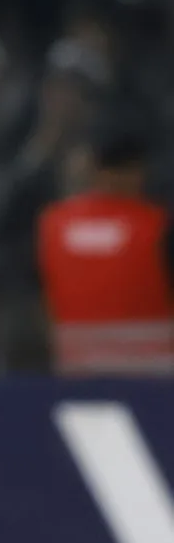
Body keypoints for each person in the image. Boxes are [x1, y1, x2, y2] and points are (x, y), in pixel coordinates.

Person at [37, 126, 174, 375]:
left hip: (78, 376)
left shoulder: (53, 225)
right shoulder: (157, 226)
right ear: (136, 170)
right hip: (156, 381)